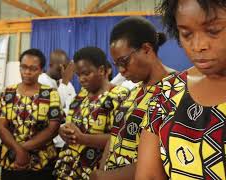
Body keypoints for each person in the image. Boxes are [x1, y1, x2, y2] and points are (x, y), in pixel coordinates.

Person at [136, 0, 226, 179]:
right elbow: (149, 175)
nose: (198, 45)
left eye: (213, 31)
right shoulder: (167, 92)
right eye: (187, 34)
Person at [90, 17, 175, 179]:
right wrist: (102, 170)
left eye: (124, 61)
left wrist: (107, 177)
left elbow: (165, 156)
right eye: (116, 64)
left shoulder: (175, 89)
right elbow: (115, 137)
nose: (121, 70)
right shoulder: (132, 92)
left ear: (146, 49)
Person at [54, 46, 129, 179]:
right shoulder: (81, 95)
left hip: (96, 170)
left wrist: (83, 138)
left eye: (86, 73)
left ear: (101, 70)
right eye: (78, 75)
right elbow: (70, 123)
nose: (81, 79)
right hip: (69, 168)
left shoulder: (119, 96)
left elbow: (119, 138)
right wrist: (63, 131)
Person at [0, 48, 63, 180]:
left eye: (33, 68)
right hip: (12, 161)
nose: (27, 72)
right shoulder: (8, 93)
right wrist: (18, 151)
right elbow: (0, 126)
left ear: (41, 70)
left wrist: (21, 149)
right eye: (24, 67)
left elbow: (53, 128)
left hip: (41, 162)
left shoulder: (50, 94)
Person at [38, 49, 76, 114]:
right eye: (59, 70)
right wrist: (64, 83)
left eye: (65, 69)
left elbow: (74, 106)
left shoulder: (67, 83)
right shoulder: (41, 81)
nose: (62, 73)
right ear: (50, 65)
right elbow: (54, 108)